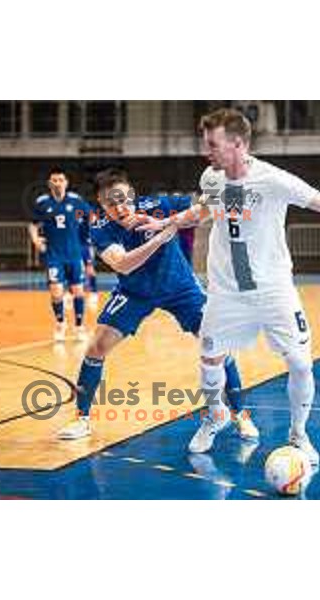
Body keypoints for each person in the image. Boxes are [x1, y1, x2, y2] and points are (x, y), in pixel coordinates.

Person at [137, 108, 320, 464]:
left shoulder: (273, 180)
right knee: (210, 358)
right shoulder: (213, 176)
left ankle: (299, 434)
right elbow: (206, 208)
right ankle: (216, 414)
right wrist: (170, 222)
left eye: (212, 144)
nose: (205, 150)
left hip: (273, 290)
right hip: (227, 292)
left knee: (300, 364)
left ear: (237, 144)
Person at [57, 168, 257, 441]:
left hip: (179, 286)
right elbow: (123, 264)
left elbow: (203, 209)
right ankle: (82, 420)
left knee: (217, 342)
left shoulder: (159, 205)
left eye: (123, 199)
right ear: (102, 206)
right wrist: (161, 236)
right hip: (135, 290)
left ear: (132, 194)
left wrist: (218, 196)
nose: (119, 207)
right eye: (111, 203)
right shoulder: (100, 229)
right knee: (97, 346)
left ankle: (241, 415)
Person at [29, 167, 91, 341]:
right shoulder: (43, 202)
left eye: (60, 180)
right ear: (49, 183)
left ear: (66, 182)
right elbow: (33, 224)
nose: (57, 183)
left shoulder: (76, 201)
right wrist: (35, 239)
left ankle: (79, 326)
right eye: (54, 180)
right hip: (54, 255)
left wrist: (87, 236)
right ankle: (60, 323)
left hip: (74, 254)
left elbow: (90, 218)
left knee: (78, 291)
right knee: (56, 292)